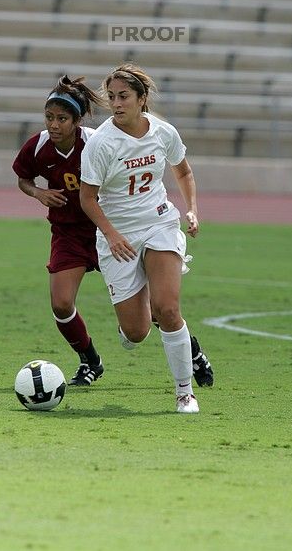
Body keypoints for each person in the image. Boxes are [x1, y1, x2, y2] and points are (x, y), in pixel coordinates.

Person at [79, 63, 213, 414]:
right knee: (136, 333)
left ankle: (185, 393)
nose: (116, 103)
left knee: (168, 310)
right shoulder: (102, 143)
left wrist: (192, 209)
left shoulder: (163, 133)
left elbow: (182, 170)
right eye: (111, 97)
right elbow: (87, 198)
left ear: (142, 99)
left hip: (159, 224)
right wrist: (111, 234)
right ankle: (137, 317)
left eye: (123, 96)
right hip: (118, 237)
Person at [12, 75, 106, 386]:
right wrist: (38, 192)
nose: (54, 125)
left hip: (107, 231)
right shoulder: (37, 146)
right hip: (67, 232)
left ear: (77, 121)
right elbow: (23, 179)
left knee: (147, 312)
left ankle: (191, 351)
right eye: (49, 117)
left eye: (62, 118)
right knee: (61, 304)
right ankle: (90, 360)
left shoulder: (96, 144)